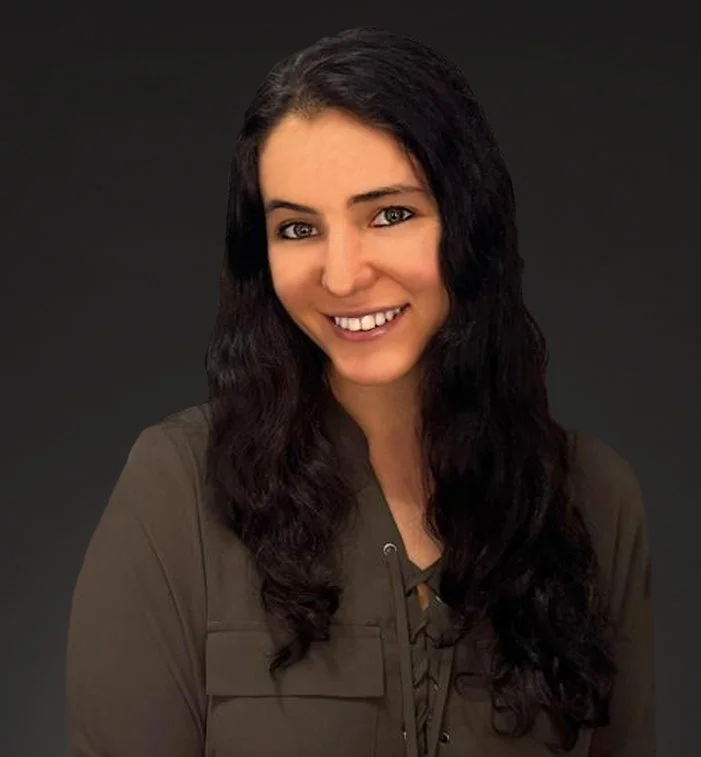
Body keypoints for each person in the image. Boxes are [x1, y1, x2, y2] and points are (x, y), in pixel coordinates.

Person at [66, 26, 656, 757]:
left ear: (469, 224)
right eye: (297, 228)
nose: (341, 275)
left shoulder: (595, 500)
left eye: (390, 214)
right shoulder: (177, 489)